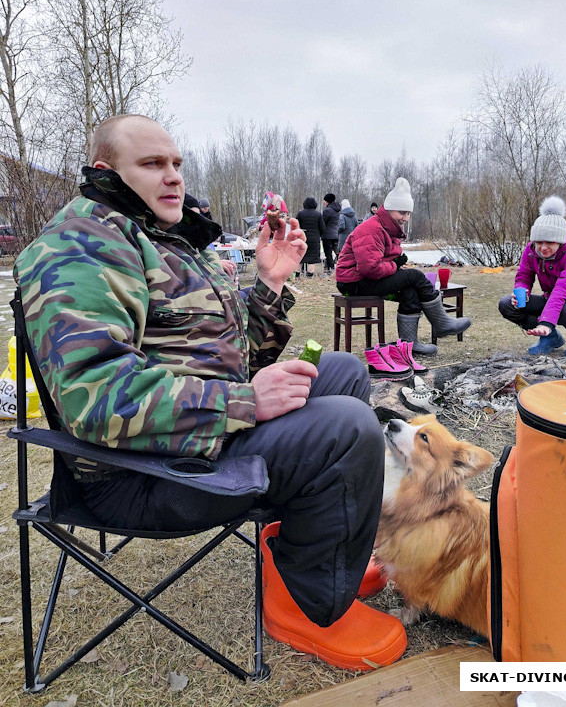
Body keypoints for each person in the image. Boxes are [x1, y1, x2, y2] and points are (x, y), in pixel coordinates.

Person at [14, 114, 405, 667]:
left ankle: (307, 553)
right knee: (346, 427)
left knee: (341, 371)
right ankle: (306, 604)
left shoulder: (168, 238)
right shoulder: (83, 246)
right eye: (152, 164)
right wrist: (246, 401)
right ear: (106, 171)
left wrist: (269, 284)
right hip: (138, 472)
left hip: (193, 437)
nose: (173, 176)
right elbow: (94, 400)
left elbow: (229, 357)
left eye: (176, 163)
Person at [336, 177, 471, 359]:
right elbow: (370, 268)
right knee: (414, 276)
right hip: (353, 281)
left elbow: (380, 260)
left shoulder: (386, 228)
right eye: (402, 213)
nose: (405, 218)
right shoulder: (372, 229)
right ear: (389, 208)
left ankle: (410, 346)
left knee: (410, 290)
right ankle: (442, 324)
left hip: (365, 278)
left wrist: (394, 263)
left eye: (409, 214)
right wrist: (396, 265)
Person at [498, 196, 566, 355]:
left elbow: (562, 290)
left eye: (549, 242)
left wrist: (546, 322)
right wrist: (522, 290)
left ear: (559, 241)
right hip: (553, 298)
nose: (543, 247)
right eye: (539, 241)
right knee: (507, 304)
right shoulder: (531, 250)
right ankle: (550, 338)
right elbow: (524, 275)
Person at [296, 196, 325, 277]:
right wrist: (318, 235)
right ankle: (309, 276)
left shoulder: (300, 213)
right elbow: (322, 228)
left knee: (300, 257)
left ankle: (297, 275)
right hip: (314, 239)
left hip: (302, 238)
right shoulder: (318, 214)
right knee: (312, 258)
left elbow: (296, 226)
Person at [322, 193, 341, 274]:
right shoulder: (337, 210)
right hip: (336, 234)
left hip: (327, 235)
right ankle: (341, 266)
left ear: (327, 201)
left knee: (328, 253)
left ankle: (331, 269)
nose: (323, 202)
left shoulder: (327, 211)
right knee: (337, 252)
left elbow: (322, 223)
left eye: (324, 201)